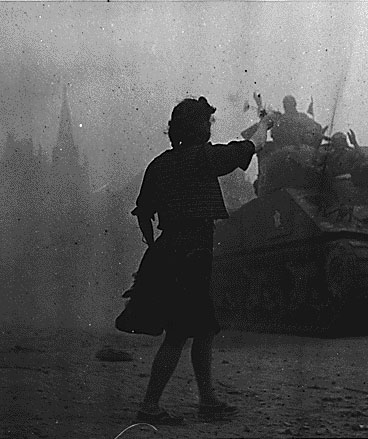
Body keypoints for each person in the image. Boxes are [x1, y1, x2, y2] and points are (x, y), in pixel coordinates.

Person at [130, 96, 275, 425]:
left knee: (203, 328)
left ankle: (208, 400)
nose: (210, 128)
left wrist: (155, 246)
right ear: (197, 127)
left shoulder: (159, 164)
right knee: (180, 333)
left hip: (170, 249)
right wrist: (264, 125)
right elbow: (251, 146)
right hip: (193, 251)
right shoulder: (205, 158)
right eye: (207, 123)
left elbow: (143, 213)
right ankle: (149, 406)